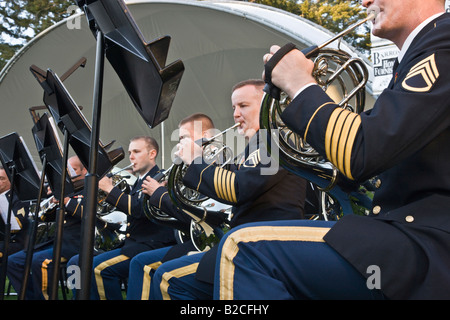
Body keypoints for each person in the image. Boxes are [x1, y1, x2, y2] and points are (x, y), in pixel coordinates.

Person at [214, 0, 450, 300]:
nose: (364, 1)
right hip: (410, 237)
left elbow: (366, 147)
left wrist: (299, 85)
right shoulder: (420, 53)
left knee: (242, 249)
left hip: (429, 247)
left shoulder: (442, 42)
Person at [148, 79, 308, 300]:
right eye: (234, 107)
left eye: (243, 106)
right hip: (248, 240)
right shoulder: (257, 145)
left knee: (168, 278)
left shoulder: (275, 140)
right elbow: (228, 181)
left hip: (262, 244)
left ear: (265, 105)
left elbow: (236, 189)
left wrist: (196, 160)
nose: (235, 114)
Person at [126, 113, 218, 300]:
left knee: (151, 268)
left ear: (206, 137)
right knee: (140, 262)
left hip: (207, 243)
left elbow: (197, 213)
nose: (179, 145)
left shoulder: (213, 165)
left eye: (184, 138)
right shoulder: (190, 169)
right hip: (188, 239)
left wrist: (160, 194)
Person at [88, 135, 177, 300]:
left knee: (98, 268)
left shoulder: (160, 177)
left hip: (151, 245)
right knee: (86, 262)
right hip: (135, 244)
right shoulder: (140, 180)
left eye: (136, 151)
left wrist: (110, 189)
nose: (131, 157)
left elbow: (138, 209)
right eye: (130, 152)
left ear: (152, 154)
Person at [6, 156, 86, 300]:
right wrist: (48, 199)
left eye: (73, 171)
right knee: (13, 261)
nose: (69, 175)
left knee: (38, 261)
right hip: (54, 241)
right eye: (67, 171)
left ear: (84, 170)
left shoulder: (90, 188)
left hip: (75, 243)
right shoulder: (65, 189)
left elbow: (90, 214)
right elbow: (44, 218)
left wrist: (66, 201)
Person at [0, 164, 30, 260]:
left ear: (11, 180)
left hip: (11, 242)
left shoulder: (20, 198)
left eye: (1, 179)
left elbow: (16, 225)